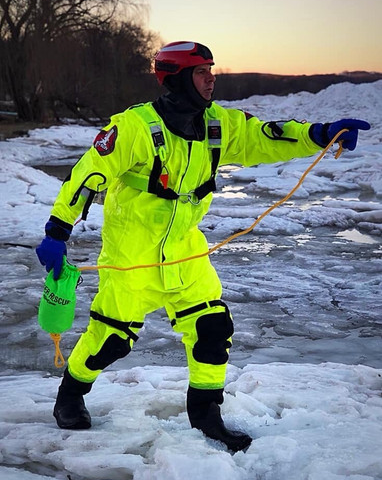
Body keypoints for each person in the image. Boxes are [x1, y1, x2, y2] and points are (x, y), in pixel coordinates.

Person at [36, 41, 370, 452]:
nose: (211, 78)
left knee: (212, 328)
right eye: (200, 72)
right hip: (132, 256)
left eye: (211, 70)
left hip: (186, 252)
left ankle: (207, 415)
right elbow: (89, 174)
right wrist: (57, 231)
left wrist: (318, 134)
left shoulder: (218, 124)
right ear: (176, 79)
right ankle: (70, 395)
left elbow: (265, 137)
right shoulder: (135, 128)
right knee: (111, 341)